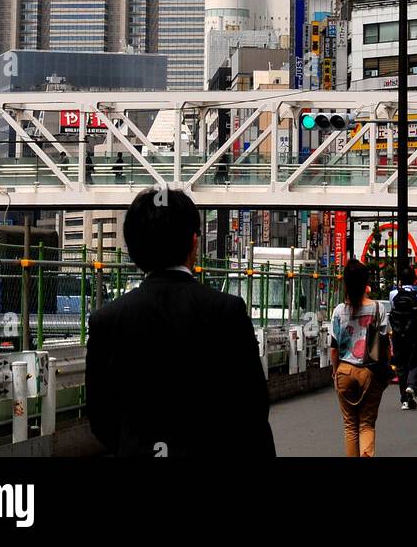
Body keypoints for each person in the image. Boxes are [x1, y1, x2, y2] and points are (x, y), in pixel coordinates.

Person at [86, 187, 275, 457]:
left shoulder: (106, 320)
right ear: (194, 242)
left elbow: (100, 416)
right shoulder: (227, 311)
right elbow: (253, 410)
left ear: (134, 248)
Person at [330, 258, 391, 456]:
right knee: (366, 424)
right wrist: (386, 370)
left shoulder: (339, 311)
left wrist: (335, 372)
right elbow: (384, 344)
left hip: (344, 370)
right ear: (366, 282)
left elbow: (334, 347)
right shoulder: (377, 308)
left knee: (350, 425)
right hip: (369, 370)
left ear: (346, 283)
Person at [389, 265, 417, 409]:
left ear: (400, 280)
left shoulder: (393, 294)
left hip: (398, 334)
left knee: (401, 365)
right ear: (414, 280)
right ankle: (411, 386)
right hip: (415, 334)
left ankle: (405, 399)